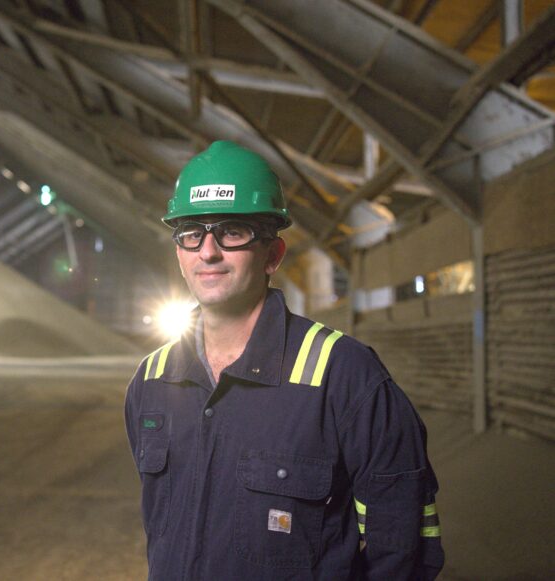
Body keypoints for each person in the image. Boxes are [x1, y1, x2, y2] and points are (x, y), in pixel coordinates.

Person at [124, 140, 445, 580]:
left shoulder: (344, 375)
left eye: (232, 231)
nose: (209, 251)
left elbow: (405, 545)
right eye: (192, 233)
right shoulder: (153, 380)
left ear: (273, 254)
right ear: (180, 252)